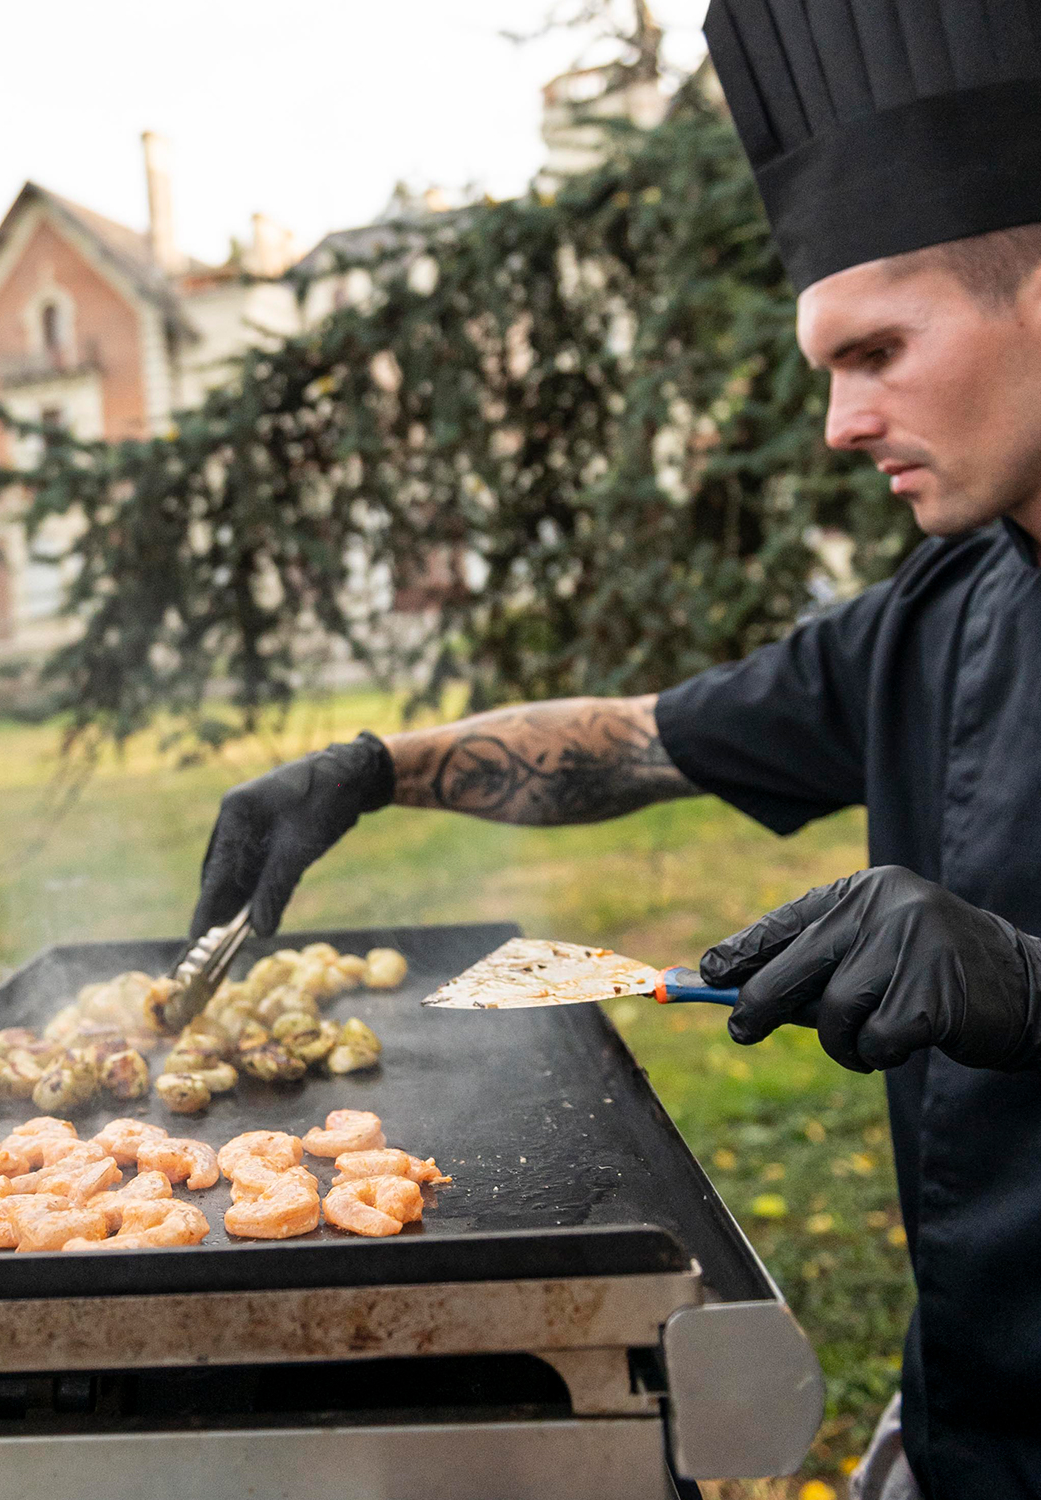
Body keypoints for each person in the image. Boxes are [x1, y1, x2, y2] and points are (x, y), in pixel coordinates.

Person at [190, 5, 1041, 1496]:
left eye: (878, 351)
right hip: (972, 1408)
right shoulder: (943, 608)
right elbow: (644, 741)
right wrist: (379, 768)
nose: (839, 423)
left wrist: (1029, 985)